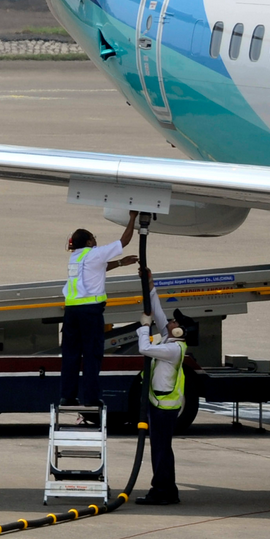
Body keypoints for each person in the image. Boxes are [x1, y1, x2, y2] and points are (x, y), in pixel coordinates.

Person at [59, 211, 138, 407]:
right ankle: (91, 398)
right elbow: (124, 241)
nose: (95, 240)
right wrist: (133, 218)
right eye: (93, 238)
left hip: (71, 312)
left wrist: (120, 263)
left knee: (71, 355)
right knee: (92, 355)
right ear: (87, 242)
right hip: (90, 313)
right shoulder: (95, 253)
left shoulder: (76, 258)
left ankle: (67, 396)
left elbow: (97, 269)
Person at [134, 269, 193, 506]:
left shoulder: (173, 349)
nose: (170, 321)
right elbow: (158, 313)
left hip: (163, 407)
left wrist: (143, 328)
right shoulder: (170, 340)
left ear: (179, 331)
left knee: (160, 450)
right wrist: (150, 285)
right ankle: (167, 489)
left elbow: (144, 349)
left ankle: (162, 490)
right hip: (159, 405)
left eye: (175, 321)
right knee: (161, 450)